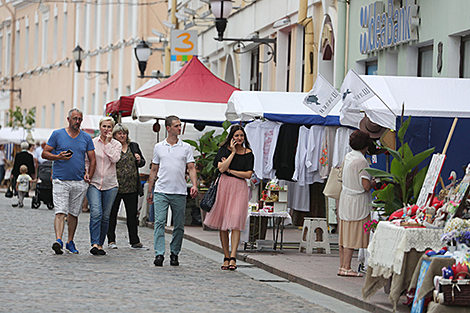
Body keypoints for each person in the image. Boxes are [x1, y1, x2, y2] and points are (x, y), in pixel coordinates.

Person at [42, 108, 96, 255]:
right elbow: (44, 153)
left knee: (73, 213)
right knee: (60, 211)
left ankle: (70, 241)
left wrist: (88, 176)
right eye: (75, 119)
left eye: (79, 119)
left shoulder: (86, 138)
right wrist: (57, 157)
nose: (77, 122)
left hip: (79, 181)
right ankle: (58, 240)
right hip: (60, 179)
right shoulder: (57, 134)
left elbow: (93, 159)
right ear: (68, 119)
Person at [147, 115, 198, 267]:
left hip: (179, 191)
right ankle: (159, 253)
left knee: (179, 225)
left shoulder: (186, 147)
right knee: (160, 222)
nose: (179, 128)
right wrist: (150, 190)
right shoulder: (159, 147)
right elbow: (154, 169)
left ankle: (174, 252)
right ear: (168, 128)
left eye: (180, 125)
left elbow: (191, 168)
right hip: (161, 190)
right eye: (176, 125)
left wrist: (194, 185)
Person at [203, 125, 254, 270]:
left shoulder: (248, 153)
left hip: (239, 188)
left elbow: (248, 174)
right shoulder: (223, 150)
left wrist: (232, 171)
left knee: (235, 220)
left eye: (241, 136)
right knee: (223, 222)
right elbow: (221, 168)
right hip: (224, 186)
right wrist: (232, 154)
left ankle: (233, 256)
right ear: (231, 137)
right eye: (236, 135)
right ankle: (226, 256)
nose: (239, 138)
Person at [337, 130, 376, 277]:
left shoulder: (348, 156)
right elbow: (365, 185)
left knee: (344, 234)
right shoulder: (361, 161)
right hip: (357, 201)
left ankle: (342, 266)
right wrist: (374, 183)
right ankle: (347, 267)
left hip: (345, 198)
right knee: (352, 235)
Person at [107, 123, 146, 250]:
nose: (122, 135)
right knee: (112, 214)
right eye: (119, 133)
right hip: (115, 186)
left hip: (131, 187)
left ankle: (134, 241)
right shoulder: (112, 147)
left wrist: (139, 159)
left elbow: (142, 163)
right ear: (114, 135)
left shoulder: (133, 146)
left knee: (132, 215)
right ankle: (111, 240)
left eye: (124, 133)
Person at [86, 117, 121, 256]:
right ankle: (94, 243)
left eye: (109, 127)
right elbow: (86, 160)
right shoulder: (92, 142)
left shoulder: (116, 144)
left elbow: (115, 159)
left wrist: (107, 143)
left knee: (106, 216)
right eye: (104, 126)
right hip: (94, 182)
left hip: (110, 184)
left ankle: (100, 244)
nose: (106, 129)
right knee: (96, 213)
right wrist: (86, 172)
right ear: (100, 127)